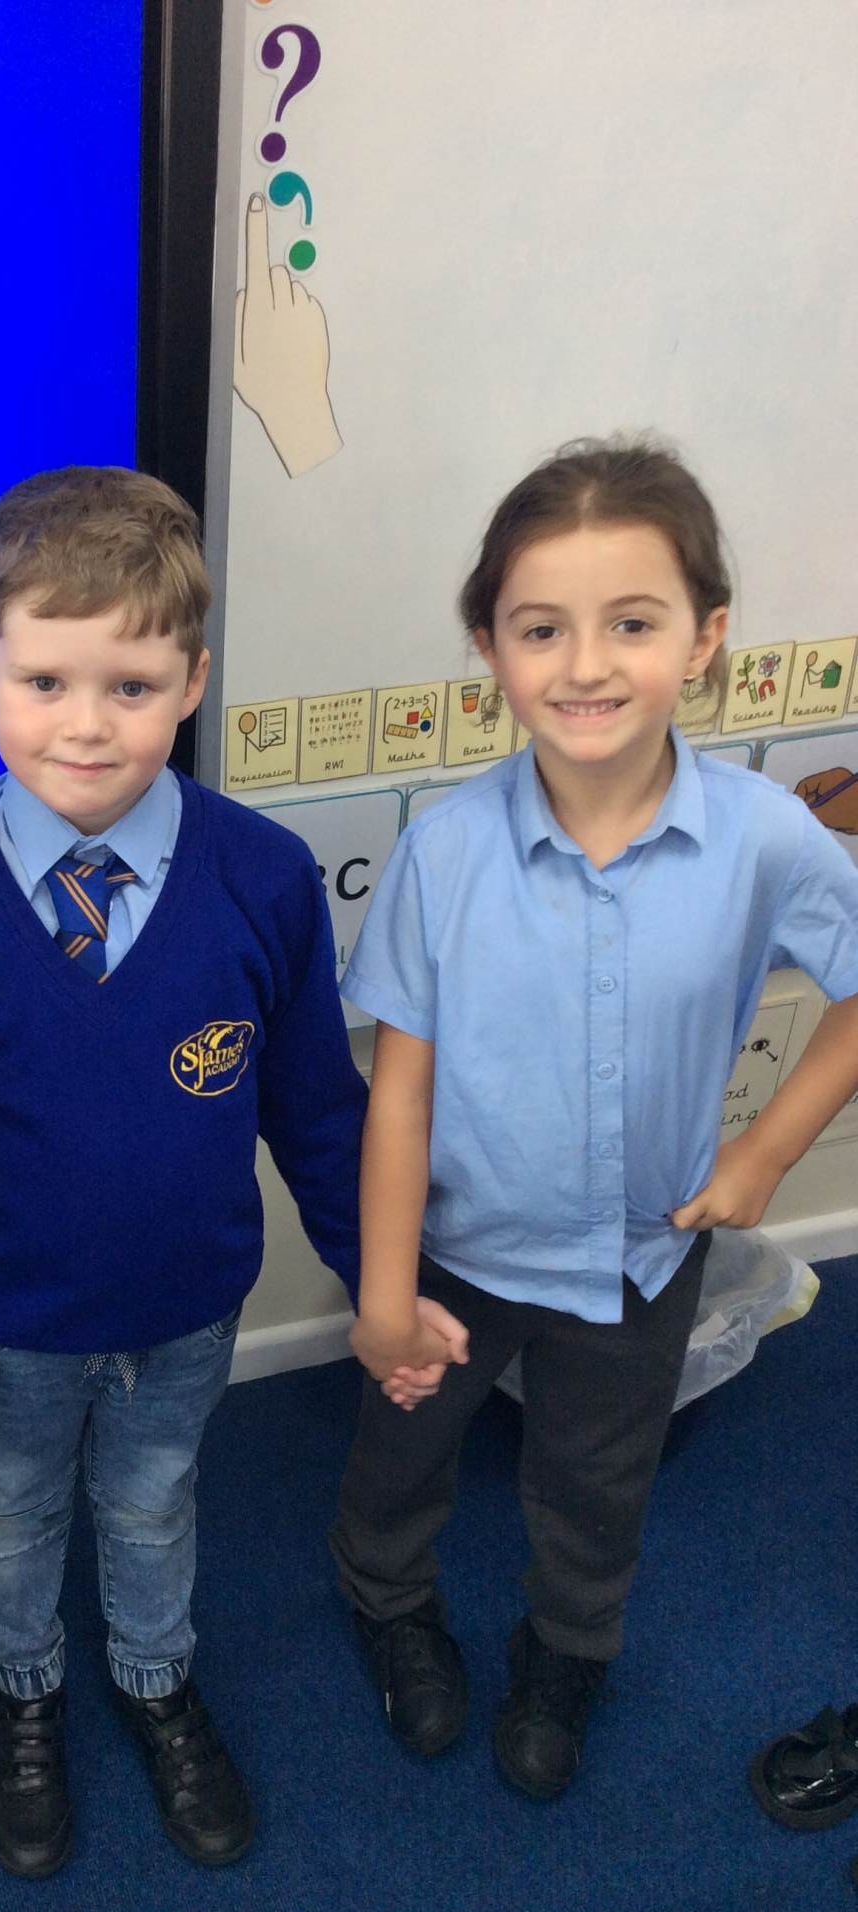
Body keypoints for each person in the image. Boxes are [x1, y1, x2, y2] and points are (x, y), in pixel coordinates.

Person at [0, 467, 373, 1877]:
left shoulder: (265, 877)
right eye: (46, 682)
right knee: (9, 1518)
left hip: (187, 1309)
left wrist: (375, 1278)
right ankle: (24, 1689)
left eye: (131, 687)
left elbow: (317, 1110)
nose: (86, 725)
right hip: (6, 1324)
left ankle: (153, 1675)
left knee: (153, 1504)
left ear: (191, 681)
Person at [329, 438, 858, 1800]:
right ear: (489, 648)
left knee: (598, 1480)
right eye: (540, 628)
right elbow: (400, 1092)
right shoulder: (446, 850)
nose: (584, 665)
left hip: (641, 1257)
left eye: (631, 623)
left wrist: (765, 1151)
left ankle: (567, 1650)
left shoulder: (763, 837)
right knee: (400, 1452)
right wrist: (381, 1295)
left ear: (705, 636)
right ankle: (386, 1600)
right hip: (458, 1251)